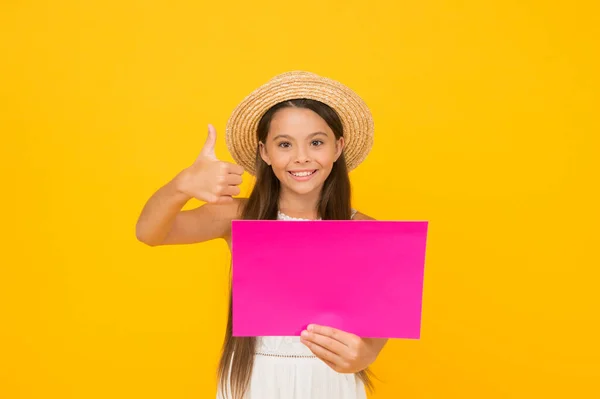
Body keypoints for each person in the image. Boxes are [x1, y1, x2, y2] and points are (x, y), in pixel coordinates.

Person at [135, 71, 388, 399]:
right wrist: (181, 186)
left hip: (330, 384)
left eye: (316, 142)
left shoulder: (367, 232)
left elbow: (380, 323)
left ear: (338, 147)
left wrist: (367, 353)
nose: (301, 156)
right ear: (265, 152)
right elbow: (150, 233)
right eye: (284, 144)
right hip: (255, 383)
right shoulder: (239, 217)